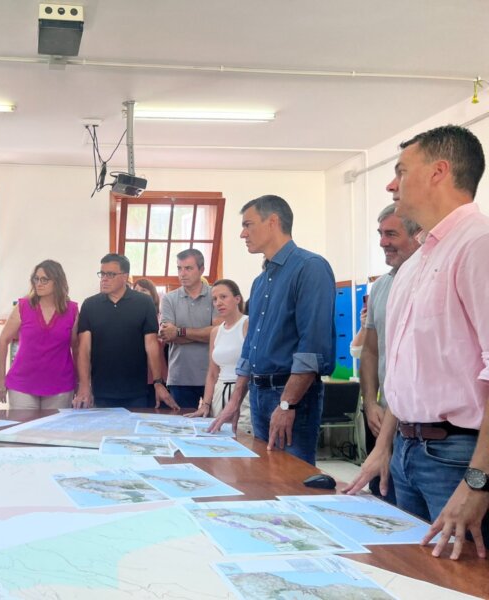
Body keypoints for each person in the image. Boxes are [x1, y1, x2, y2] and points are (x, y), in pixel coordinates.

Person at [345, 125, 489, 561]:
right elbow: (407, 372)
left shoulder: (478, 245)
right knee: (412, 574)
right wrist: (383, 446)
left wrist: (478, 481)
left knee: (460, 581)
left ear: (438, 172)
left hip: (458, 457)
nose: (391, 185)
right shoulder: (417, 261)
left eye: (401, 172)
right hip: (405, 450)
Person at [209, 195, 336, 466]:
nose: (243, 234)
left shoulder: (310, 268)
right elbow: (251, 347)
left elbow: (312, 346)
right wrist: (235, 400)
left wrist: (287, 404)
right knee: (264, 475)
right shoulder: (260, 282)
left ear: (273, 222)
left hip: (290, 394)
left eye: (248, 225)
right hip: (258, 393)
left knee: (291, 477)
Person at [359, 204, 422, 503]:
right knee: (387, 505)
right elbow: (371, 351)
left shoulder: (429, 281)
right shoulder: (382, 286)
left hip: (426, 428)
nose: (383, 242)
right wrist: (370, 402)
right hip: (385, 420)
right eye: (380, 234)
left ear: (417, 234)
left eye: (391, 234)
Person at [75, 254, 178, 410]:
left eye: (110, 274)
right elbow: (84, 348)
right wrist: (84, 385)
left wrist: (158, 382)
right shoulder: (90, 305)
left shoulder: (144, 302)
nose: (104, 279)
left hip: (136, 391)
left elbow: (151, 345)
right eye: (102, 274)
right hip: (101, 390)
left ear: (124, 276)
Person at [0, 260, 78, 409]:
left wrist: (81, 382)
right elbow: (2, 341)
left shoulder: (72, 310)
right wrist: (0, 379)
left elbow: (77, 349)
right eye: (36, 279)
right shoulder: (23, 306)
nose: (39, 283)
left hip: (60, 383)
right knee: (23, 424)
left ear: (57, 282)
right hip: (22, 383)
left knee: (55, 425)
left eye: (44, 279)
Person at [159, 249, 220, 408]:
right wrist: (205, 334)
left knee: (216, 422)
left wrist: (180, 331)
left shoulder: (216, 295)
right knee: (182, 422)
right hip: (180, 377)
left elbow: (219, 333)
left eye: (188, 268)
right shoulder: (169, 299)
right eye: (179, 268)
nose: (182, 273)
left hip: (213, 374)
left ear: (201, 270)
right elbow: (168, 335)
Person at [186, 280, 250, 427]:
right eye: (215, 299)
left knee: (241, 435)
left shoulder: (248, 324)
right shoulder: (216, 332)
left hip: (243, 393)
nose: (218, 303)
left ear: (237, 299)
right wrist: (206, 404)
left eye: (223, 297)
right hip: (219, 393)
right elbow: (212, 372)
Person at [133, 278, 169, 404]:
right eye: (136, 290)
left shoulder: (162, 317)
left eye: (143, 290)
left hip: (158, 372)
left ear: (152, 294)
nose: (139, 293)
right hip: (137, 374)